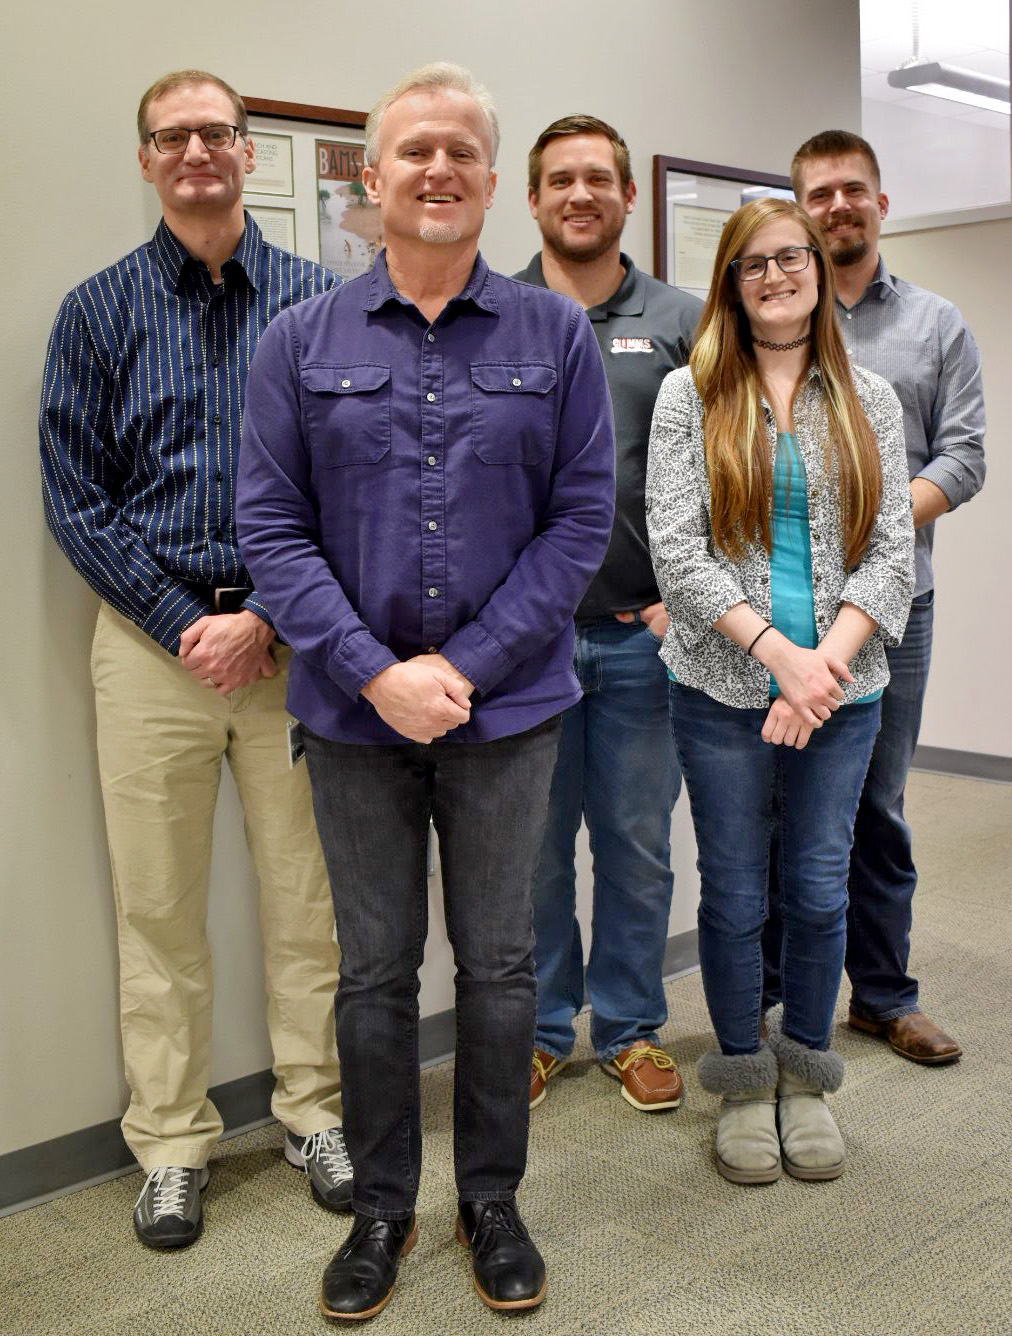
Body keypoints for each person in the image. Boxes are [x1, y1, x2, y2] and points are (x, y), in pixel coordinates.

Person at [236, 64, 614, 1321]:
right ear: (373, 177)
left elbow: (579, 523)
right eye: (414, 153)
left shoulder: (554, 335)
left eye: (461, 153)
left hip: (506, 715)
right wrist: (374, 671)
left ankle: (492, 1198)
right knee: (374, 973)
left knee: (504, 970)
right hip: (351, 722)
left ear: (489, 182)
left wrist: (460, 667)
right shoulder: (300, 341)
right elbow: (272, 530)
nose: (437, 171)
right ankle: (388, 1204)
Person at [39, 70, 349, 1250]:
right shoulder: (99, 313)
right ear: (147, 160)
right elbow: (78, 502)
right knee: (156, 909)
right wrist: (186, 623)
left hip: (297, 643)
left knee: (305, 900)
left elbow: (347, 486)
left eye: (217, 132)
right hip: (150, 651)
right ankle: (171, 1144)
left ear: (246, 148)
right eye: (174, 137)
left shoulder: (321, 305)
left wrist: (266, 613)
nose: (197, 153)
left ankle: (313, 1112)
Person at [646, 198, 914, 1184]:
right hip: (720, 690)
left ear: (817, 268)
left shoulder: (868, 399)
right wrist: (776, 658)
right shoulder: (690, 394)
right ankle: (740, 1080)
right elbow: (677, 552)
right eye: (753, 263)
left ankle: (803, 1075)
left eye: (790, 258)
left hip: (841, 693)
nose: (774, 276)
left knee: (814, 885)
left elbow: (892, 550)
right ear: (731, 280)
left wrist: (818, 668)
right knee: (734, 891)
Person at [764, 130, 986, 1064]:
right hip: (779, 615)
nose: (838, 206)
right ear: (801, 211)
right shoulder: (767, 318)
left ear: (880, 204)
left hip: (897, 609)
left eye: (853, 190)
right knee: (777, 804)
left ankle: (884, 995)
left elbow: (965, 457)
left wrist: (877, 521)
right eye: (818, 194)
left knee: (878, 805)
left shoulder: (937, 326)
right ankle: (773, 994)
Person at [515, 116, 701, 1112]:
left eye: (598, 178)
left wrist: (687, 597)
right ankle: (543, 1031)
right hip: (524, 648)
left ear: (627, 198)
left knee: (634, 845)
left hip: (641, 636)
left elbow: (731, 464)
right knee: (533, 851)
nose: (579, 194)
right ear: (532, 199)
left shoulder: (679, 317)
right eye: (560, 180)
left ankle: (628, 1028)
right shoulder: (488, 311)